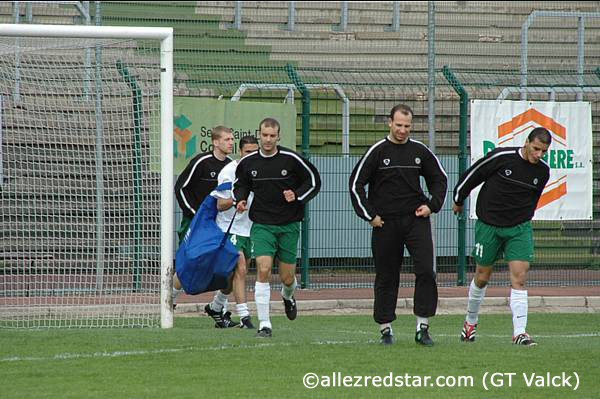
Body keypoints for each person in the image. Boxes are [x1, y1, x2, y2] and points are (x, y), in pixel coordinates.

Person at [349, 104, 448, 346]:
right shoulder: (377, 151)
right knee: (386, 276)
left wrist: (432, 205)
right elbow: (355, 184)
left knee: (426, 270)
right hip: (385, 224)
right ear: (389, 123)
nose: (403, 130)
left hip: (416, 220)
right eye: (399, 125)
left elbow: (440, 179)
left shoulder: (419, 151)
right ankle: (385, 329)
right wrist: (370, 215)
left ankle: (422, 327)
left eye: (407, 126)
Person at [452, 127, 551, 347]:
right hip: (489, 226)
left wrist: (522, 219)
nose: (539, 155)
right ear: (526, 142)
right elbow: (473, 175)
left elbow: (532, 200)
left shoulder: (543, 172)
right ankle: (470, 322)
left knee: (519, 277)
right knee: (482, 276)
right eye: (536, 149)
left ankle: (520, 333)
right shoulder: (501, 157)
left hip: (518, 229)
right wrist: (458, 198)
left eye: (543, 151)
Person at [233, 117, 321, 338]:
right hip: (261, 224)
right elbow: (240, 183)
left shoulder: (291, 159)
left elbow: (314, 181)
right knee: (263, 269)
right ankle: (265, 324)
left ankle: (288, 296)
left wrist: (297, 195)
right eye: (264, 135)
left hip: (289, 224)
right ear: (259, 134)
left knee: (287, 278)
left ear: (278, 136)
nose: (268, 139)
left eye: (272, 136)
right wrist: (240, 199)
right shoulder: (248, 162)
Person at [173, 125, 237, 327]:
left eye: (232, 139)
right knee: (190, 262)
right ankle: (169, 300)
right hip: (196, 222)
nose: (230, 142)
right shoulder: (201, 162)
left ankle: (219, 308)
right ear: (215, 142)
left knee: (228, 264)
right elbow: (181, 188)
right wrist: (194, 215)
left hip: (218, 226)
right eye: (226, 139)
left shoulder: (231, 167)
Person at [205, 135, 260, 329]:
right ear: (240, 151)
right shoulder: (229, 171)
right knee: (241, 268)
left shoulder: (260, 169)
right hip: (229, 227)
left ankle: (215, 306)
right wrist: (237, 201)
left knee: (230, 278)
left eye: (254, 152)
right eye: (247, 152)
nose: (251, 156)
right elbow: (220, 204)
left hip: (249, 228)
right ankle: (245, 316)